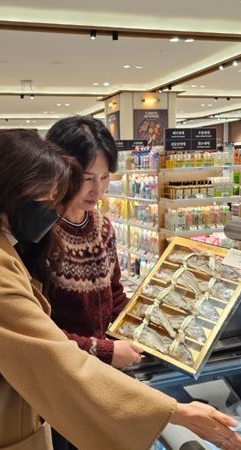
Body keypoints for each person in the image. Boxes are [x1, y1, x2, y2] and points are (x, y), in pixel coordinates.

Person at [0, 130, 241, 450]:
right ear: (9, 192)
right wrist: (175, 412)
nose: (55, 210)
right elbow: (55, 362)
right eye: (47, 199)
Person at [41, 116, 141, 449]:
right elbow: (37, 331)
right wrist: (106, 351)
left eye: (105, 176)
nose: (97, 190)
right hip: (60, 388)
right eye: (86, 178)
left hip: (102, 381)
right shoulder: (39, 235)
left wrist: (142, 325)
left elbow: (114, 293)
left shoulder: (103, 226)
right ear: (58, 170)